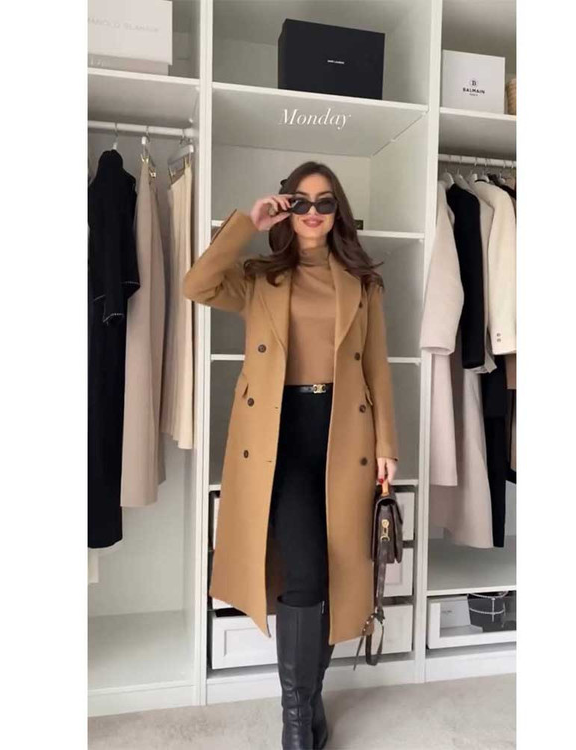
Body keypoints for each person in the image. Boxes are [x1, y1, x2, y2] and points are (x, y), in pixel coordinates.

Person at [183, 161, 399, 749]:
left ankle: (309, 699)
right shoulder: (260, 277)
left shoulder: (363, 284)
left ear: (337, 212)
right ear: (285, 209)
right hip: (279, 439)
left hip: (345, 437)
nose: (312, 212)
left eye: (325, 202)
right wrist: (245, 224)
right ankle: (297, 722)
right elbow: (197, 285)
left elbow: (377, 367)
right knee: (303, 574)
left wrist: (386, 445)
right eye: (300, 202)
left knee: (338, 573)